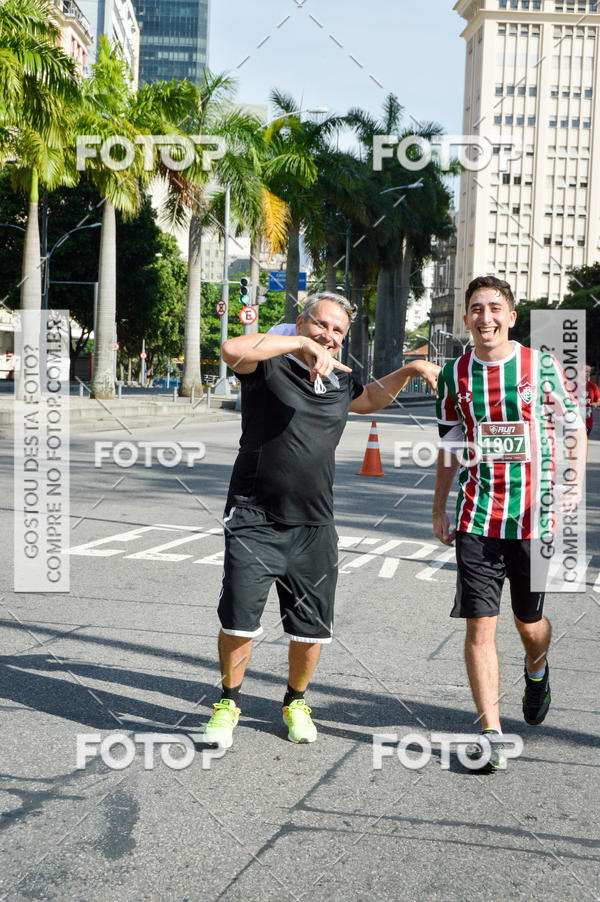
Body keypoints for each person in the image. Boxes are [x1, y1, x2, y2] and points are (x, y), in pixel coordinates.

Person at [203, 291, 440, 747]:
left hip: (315, 524)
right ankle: (229, 701)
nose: (328, 336)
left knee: (310, 628)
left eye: (337, 331)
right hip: (254, 515)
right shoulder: (269, 361)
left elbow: (368, 399)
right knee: (238, 619)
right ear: (301, 321)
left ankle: (295, 702)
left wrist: (411, 369)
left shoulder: (338, 378)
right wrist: (298, 345)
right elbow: (231, 350)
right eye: (321, 326)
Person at [432, 276, 586, 773]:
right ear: (466, 319)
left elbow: (572, 426)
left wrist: (572, 488)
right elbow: (451, 446)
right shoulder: (454, 374)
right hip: (478, 517)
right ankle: (491, 733)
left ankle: (537, 668)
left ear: (511, 316)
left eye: (494, 308)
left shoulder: (539, 364)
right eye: (476, 309)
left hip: (533, 518)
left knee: (528, 623)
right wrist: (441, 506)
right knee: (480, 625)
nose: (485, 318)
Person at [585, 364, 600, 437]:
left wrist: (594, 404)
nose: (586, 373)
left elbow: (598, 401)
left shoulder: (593, 386)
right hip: (575, 420)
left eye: (588, 372)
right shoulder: (573, 386)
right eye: (585, 371)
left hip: (588, 421)